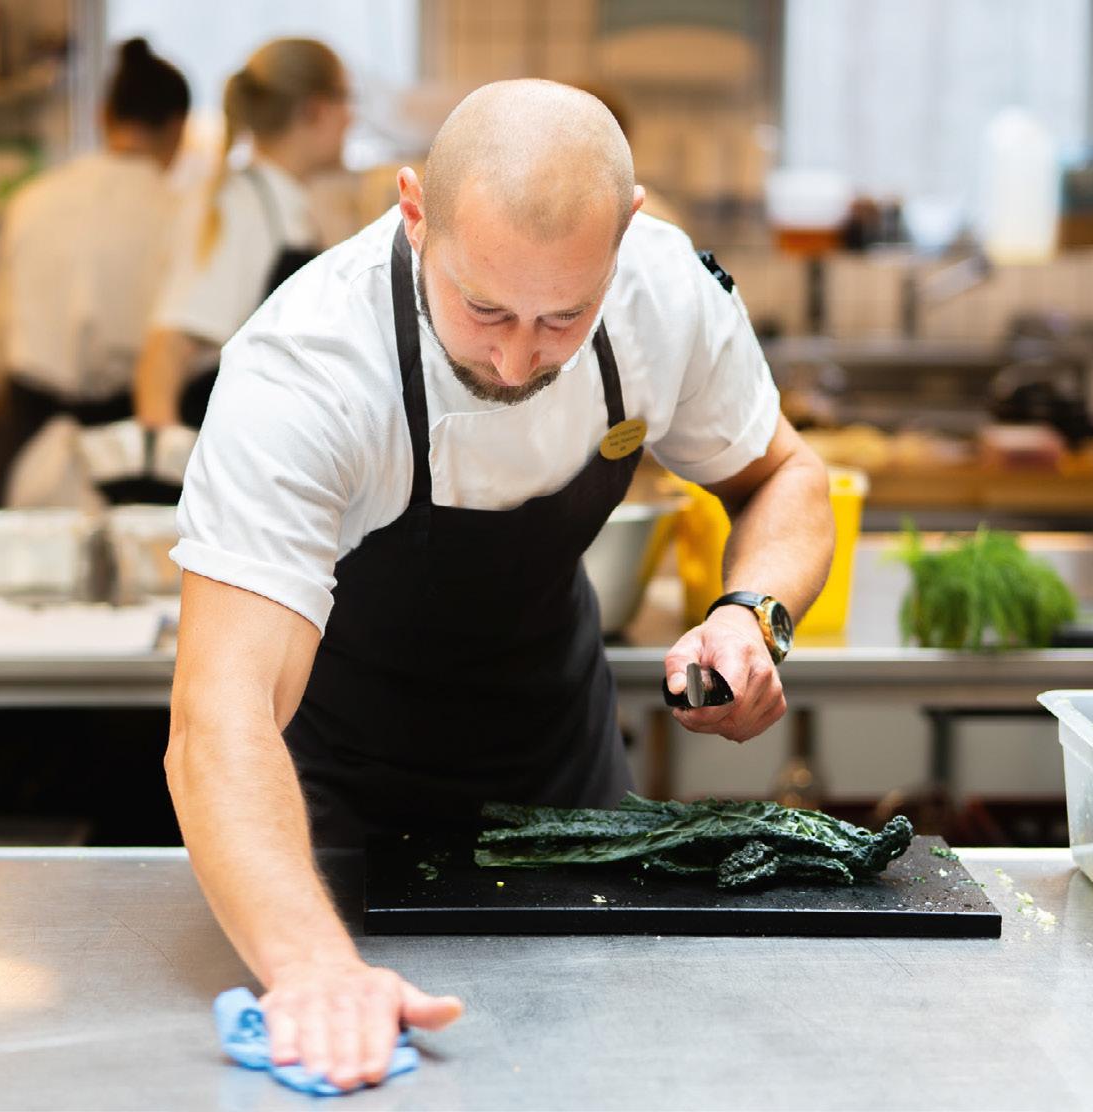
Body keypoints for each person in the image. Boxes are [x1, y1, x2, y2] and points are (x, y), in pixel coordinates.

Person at [164, 80, 834, 1091]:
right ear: (413, 212)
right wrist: (311, 966)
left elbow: (783, 474)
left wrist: (752, 614)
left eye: (563, 317)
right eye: (483, 308)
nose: (518, 358)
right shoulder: (307, 370)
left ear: (625, 233)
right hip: (334, 820)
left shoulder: (663, 293)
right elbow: (219, 715)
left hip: (564, 789)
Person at [0, 38, 189, 507]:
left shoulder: (31, 201)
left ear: (103, 116)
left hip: (29, 439)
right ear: (178, 128)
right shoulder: (180, 214)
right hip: (132, 454)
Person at [134, 38, 351, 432]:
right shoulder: (237, 206)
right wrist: (167, 456)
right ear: (316, 109)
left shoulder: (288, 204)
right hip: (221, 439)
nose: (352, 117)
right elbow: (169, 346)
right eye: (346, 99)